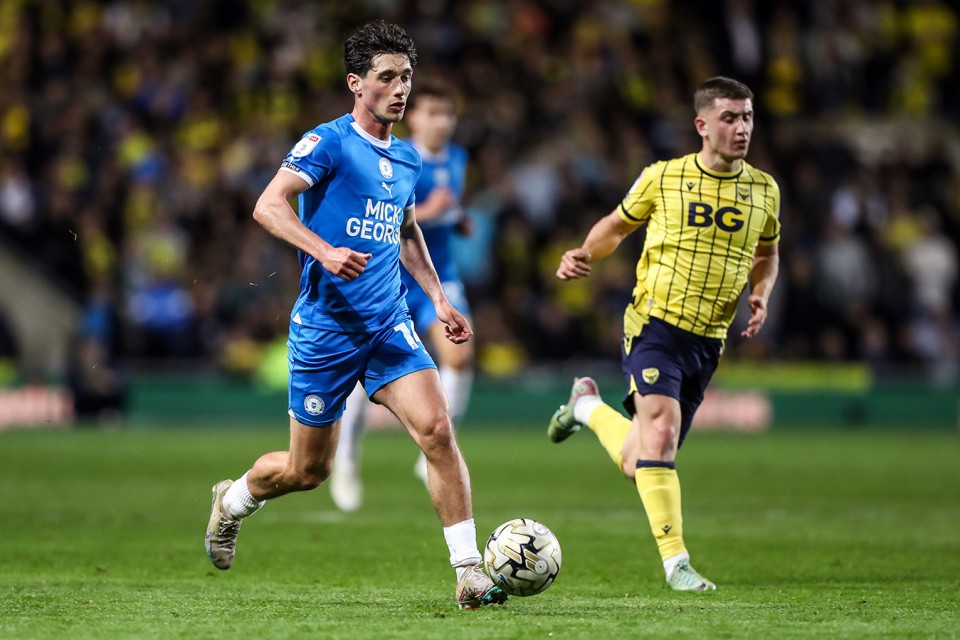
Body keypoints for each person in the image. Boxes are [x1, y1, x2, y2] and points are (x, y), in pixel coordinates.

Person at [203, 21, 507, 610]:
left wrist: (439, 299)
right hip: (326, 330)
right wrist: (323, 250)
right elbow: (268, 205)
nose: (401, 89)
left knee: (437, 431)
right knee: (305, 471)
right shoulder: (329, 142)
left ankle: (468, 571)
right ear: (356, 83)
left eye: (406, 77)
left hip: (389, 323)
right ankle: (234, 499)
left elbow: (407, 231)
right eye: (387, 77)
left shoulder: (409, 158)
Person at [547, 76, 780, 592]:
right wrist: (585, 252)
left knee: (641, 459)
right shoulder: (664, 177)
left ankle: (585, 407)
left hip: (709, 339)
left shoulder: (765, 189)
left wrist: (761, 291)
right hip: (656, 324)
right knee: (661, 431)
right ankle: (677, 565)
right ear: (702, 125)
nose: (741, 128)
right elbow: (615, 226)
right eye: (729, 118)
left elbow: (767, 252)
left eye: (747, 117)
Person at [330, 79, 474, 512]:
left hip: (438, 275)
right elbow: (387, 219)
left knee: (460, 357)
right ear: (414, 118)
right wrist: (431, 212)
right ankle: (346, 459)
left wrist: (457, 219)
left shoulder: (458, 158)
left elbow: (445, 211)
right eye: (433, 113)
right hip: (387, 277)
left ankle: (435, 449)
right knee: (361, 382)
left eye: (448, 114)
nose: (442, 122)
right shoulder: (395, 156)